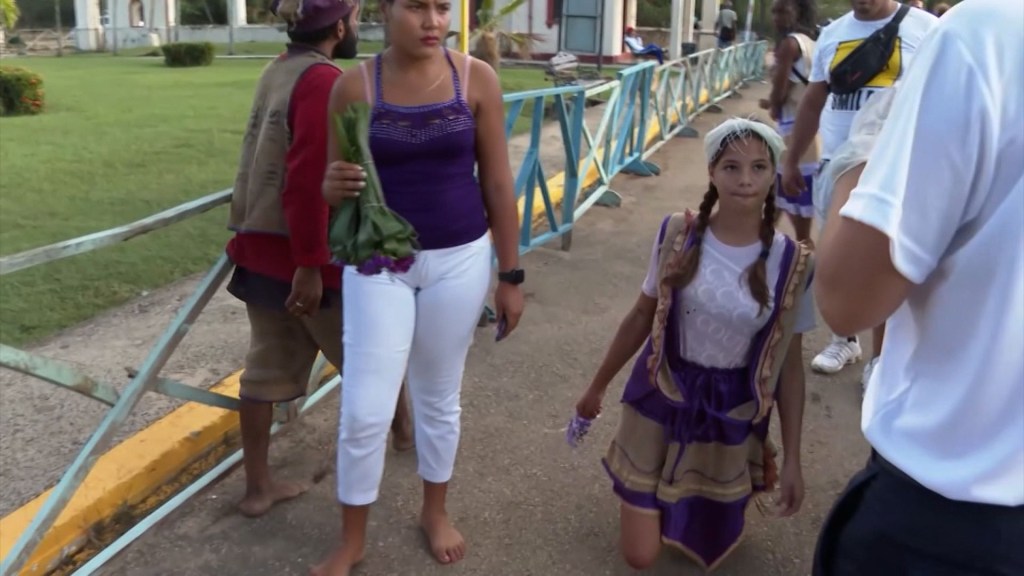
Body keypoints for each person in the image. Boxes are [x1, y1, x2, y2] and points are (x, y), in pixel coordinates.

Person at [312, 0, 525, 574]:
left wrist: (511, 274)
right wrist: (333, 185)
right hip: (379, 263)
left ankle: (435, 511)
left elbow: (499, 182)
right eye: (416, 6)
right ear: (384, 9)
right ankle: (351, 538)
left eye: (442, 6)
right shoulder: (353, 87)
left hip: (459, 260)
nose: (433, 20)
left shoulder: (475, 79)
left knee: (437, 398)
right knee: (364, 409)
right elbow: (336, 191)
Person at [812, 0, 1024, 573]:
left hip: (958, 514)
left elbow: (844, 300)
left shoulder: (984, 33)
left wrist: (857, 162)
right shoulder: (837, 34)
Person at [575, 118, 814, 572]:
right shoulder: (677, 234)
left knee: (707, 535)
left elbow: (790, 366)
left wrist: (795, 459)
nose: (746, 180)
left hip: (731, 409)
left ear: (773, 174)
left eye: (759, 167)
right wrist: (596, 387)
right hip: (662, 390)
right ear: (711, 171)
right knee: (641, 555)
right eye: (731, 167)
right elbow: (641, 315)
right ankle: (657, 488)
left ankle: (688, 491)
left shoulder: (793, 263)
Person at [224, 0, 414, 519]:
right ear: (339, 26)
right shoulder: (324, 79)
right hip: (309, 260)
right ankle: (402, 436)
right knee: (375, 354)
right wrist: (309, 263)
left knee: (262, 373)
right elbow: (311, 176)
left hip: (259, 246)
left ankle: (258, 488)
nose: (357, 27)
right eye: (354, 18)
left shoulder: (277, 69)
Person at [779, 0, 936, 383]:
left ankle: (881, 361)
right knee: (837, 255)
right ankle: (844, 341)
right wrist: (792, 159)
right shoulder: (833, 35)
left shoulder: (930, 30)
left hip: (898, 167)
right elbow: (814, 101)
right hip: (839, 166)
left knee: (890, 260)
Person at [760, 0, 819, 247]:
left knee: (800, 226)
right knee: (775, 200)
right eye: (774, 11)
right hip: (809, 131)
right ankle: (758, 249)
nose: (776, 16)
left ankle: (805, 271)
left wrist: (772, 103)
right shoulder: (810, 43)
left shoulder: (788, 45)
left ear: (798, 11)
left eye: (782, 11)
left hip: (792, 134)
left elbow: (780, 90)